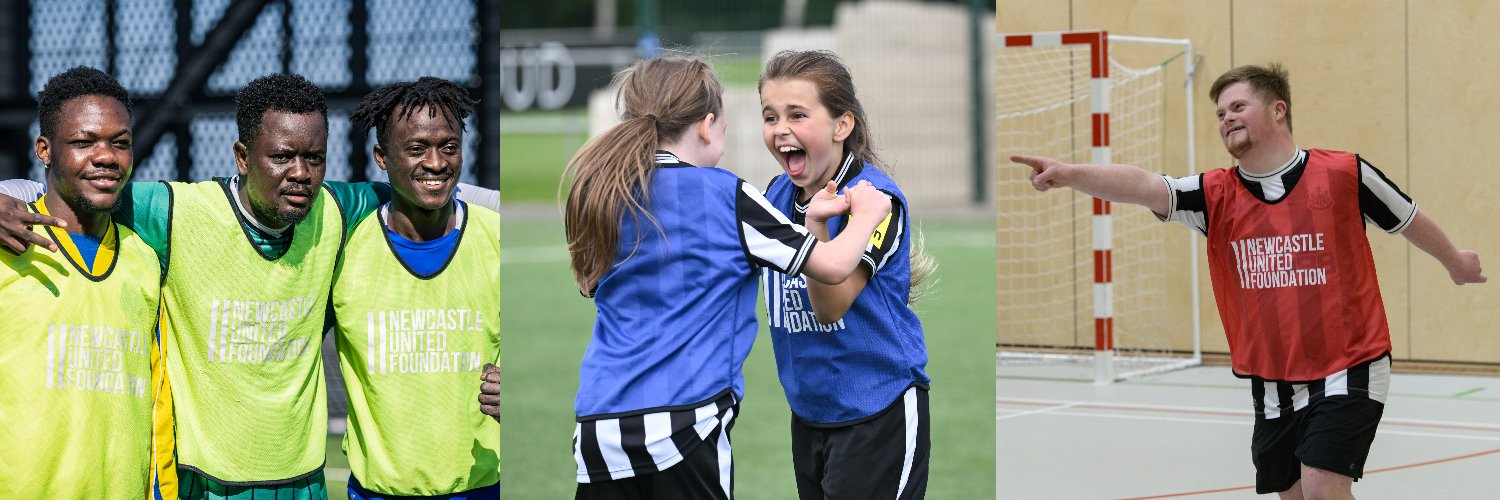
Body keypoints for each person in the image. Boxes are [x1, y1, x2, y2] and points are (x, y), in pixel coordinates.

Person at [0, 72, 500, 499]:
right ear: (243, 157)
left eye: (315, 158)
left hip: (304, 482)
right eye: (282, 157)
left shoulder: (337, 212)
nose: (301, 174)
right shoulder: (173, 213)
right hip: (204, 483)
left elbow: (424, 186)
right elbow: (78, 188)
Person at [1012, 63, 1485, 499]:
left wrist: (1455, 261)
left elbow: (1407, 218)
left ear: (1278, 110)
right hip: (1273, 378)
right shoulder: (1212, 196)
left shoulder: (1344, 173)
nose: (1227, 119)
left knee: (1321, 486)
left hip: (1350, 361)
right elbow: (1141, 185)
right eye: (1220, 113)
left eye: (1238, 107)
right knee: (1296, 494)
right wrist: (1071, 174)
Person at [564, 55, 890, 500]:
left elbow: (589, 284)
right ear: (707, 125)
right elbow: (833, 268)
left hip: (597, 430)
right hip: (685, 427)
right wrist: (865, 217)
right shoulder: (725, 195)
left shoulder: (604, 192)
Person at [756, 49, 933, 500]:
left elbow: (831, 305)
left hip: (878, 412)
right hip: (811, 413)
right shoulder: (775, 194)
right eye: (770, 116)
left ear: (842, 125)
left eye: (798, 115)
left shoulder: (874, 200)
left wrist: (818, 224)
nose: (781, 131)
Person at [334, 76, 499, 499]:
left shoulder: (497, 239)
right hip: (376, 492)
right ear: (382, 158)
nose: (436, 162)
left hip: (480, 489)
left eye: (448, 146)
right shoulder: (344, 249)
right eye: (415, 149)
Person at [0, 66, 160, 498]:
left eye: (120, 143)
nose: (106, 156)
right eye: (84, 142)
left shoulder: (144, 261)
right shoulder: (7, 244)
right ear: (44, 150)